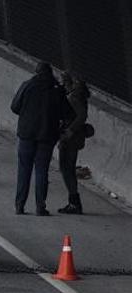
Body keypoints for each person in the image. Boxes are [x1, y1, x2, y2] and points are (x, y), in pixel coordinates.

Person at [10, 62, 67, 216]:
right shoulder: (57, 90)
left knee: (24, 170)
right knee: (42, 171)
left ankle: (19, 206)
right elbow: (67, 113)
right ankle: (40, 207)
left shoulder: (27, 85)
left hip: (27, 134)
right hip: (47, 136)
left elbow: (14, 106)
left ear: (36, 72)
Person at [57, 71, 90, 214]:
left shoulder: (73, 97)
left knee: (66, 168)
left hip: (71, 138)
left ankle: (74, 202)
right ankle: (74, 201)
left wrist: (69, 130)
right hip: (75, 138)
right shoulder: (79, 95)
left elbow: (81, 115)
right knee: (68, 168)